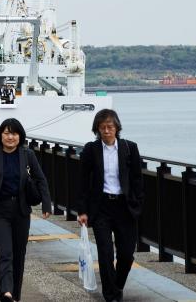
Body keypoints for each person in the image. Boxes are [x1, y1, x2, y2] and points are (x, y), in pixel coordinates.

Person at [0, 118, 52, 302]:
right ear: (0, 135)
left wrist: (46, 204)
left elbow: (41, 179)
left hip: (21, 211)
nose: (10, 137)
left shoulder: (27, 155)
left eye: (14, 133)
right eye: (6, 133)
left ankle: (15, 296)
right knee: (5, 252)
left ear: (20, 136)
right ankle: (5, 292)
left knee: (18, 255)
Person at [77, 109, 144, 302]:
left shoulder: (129, 148)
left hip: (125, 207)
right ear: (97, 129)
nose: (106, 131)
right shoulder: (91, 149)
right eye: (102, 127)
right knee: (105, 254)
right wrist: (82, 210)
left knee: (126, 254)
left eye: (110, 127)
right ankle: (111, 297)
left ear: (117, 128)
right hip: (101, 208)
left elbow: (138, 180)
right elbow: (82, 181)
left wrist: (138, 204)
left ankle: (117, 286)